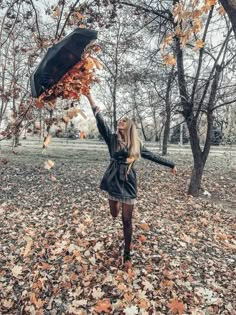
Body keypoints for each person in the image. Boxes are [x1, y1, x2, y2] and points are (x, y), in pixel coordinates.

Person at [85, 93, 177, 263]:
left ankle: (127, 253)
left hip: (128, 183)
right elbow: (100, 119)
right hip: (113, 180)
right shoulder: (111, 139)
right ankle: (116, 204)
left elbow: (152, 156)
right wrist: (90, 97)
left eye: (124, 121)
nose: (120, 122)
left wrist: (171, 164)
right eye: (119, 120)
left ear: (129, 127)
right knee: (114, 214)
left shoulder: (136, 144)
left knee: (126, 220)